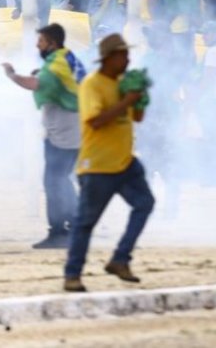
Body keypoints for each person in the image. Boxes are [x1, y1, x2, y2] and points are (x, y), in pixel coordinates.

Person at [63, 34, 155, 292]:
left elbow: (136, 118)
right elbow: (95, 121)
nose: (127, 60)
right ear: (109, 58)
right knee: (85, 223)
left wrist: (140, 99)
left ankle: (120, 258)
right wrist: (127, 100)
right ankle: (72, 275)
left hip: (125, 162)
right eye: (122, 55)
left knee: (145, 204)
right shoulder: (93, 84)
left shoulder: (123, 82)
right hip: (98, 166)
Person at [2, 23, 86, 249]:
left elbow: (34, 84)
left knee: (54, 181)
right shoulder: (66, 57)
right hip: (73, 126)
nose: (38, 45)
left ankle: (59, 232)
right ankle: (78, 224)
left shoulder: (56, 63)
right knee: (62, 178)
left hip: (64, 128)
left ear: (52, 43)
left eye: (41, 41)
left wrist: (12, 75)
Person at [158, 0, 213, 71]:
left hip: (173, 29)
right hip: (180, 31)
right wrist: (203, 28)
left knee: (180, 61)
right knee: (184, 63)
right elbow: (191, 12)